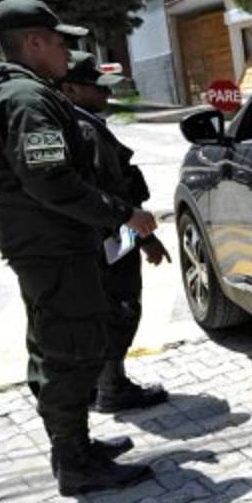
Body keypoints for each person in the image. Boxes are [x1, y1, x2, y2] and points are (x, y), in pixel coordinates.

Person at [0, 0, 157, 495]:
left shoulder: (23, 92)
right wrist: (123, 214)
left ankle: (75, 446)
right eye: (60, 43)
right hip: (54, 245)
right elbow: (52, 181)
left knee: (58, 343)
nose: (67, 53)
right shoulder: (26, 98)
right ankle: (75, 462)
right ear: (34, 42)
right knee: (70, 349)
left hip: (48, 243)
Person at [57, 50, 170, 413]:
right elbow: (113, 193)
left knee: (98, 311)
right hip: (110, 240)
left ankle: (97, 385)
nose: (107, 94)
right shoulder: (85, 129)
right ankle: (113, 388)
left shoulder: (71, 123)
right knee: (120, 308)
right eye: (98, 88)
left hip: (95, 240)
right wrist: (145, 239)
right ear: (71, 90)